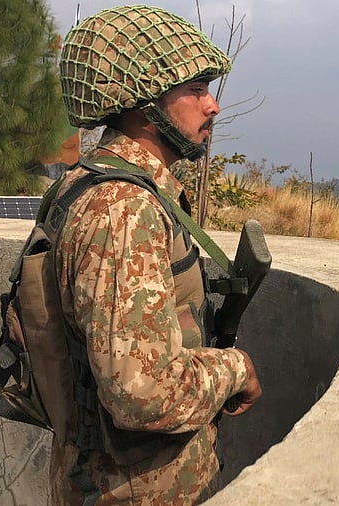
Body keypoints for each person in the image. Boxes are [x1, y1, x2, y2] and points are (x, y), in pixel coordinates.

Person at [49, 5, 261, 504]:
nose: (213, 106)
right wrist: (237, 369)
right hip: (137, 489)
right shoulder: (123, 209)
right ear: (143, 107)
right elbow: (140, 394)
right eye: (195, 90)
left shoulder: (98, 181)